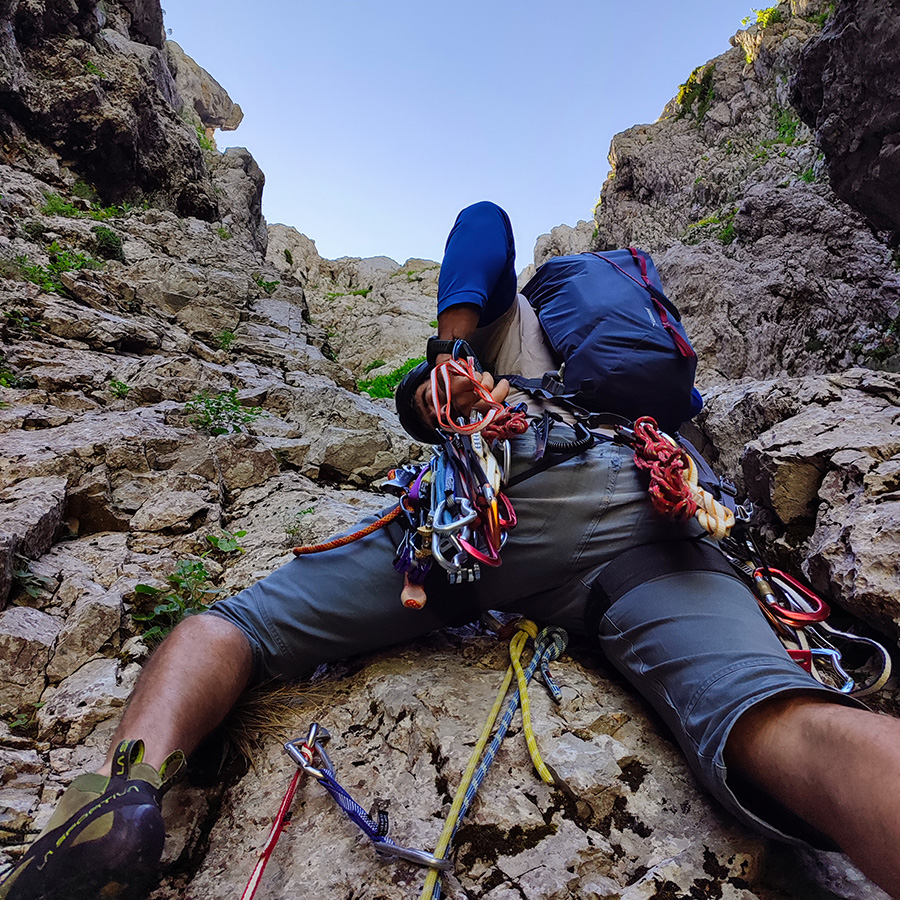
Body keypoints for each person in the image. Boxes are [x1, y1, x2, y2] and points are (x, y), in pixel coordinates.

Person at [4, 201, 900, 900]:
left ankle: (120, 795)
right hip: (664, 518)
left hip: (505, 498)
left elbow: (481, 221)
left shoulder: (519, 321)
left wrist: (450, 348)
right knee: (777, 720)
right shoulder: (648, 379)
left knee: (238, 625)